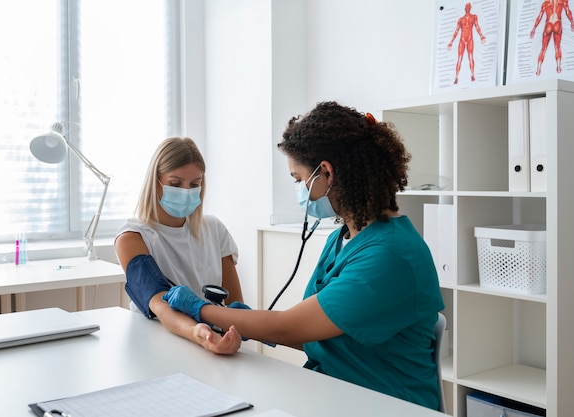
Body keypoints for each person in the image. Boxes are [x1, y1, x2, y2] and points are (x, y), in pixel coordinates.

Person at [156, 102, 445, 410]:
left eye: (297, 179)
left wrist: (202, 309)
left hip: (387, 405)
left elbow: (289, 326)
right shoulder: (341, 239)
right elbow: (318, 332)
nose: (297, 188)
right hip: (335, 392)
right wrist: (248, 322)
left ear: (327, 173)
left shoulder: (391, 255)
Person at [115, 136, 244, 355]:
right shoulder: (132, 237)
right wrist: (198, 332)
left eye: (194, 184)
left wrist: (235, 330)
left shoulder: (214, 229)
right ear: (155, 183)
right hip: (155, 345)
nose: (186, 191)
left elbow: (235, 306)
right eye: (175, 184)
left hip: (208, 344)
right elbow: (159, 304)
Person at [530, 0, 574, 75]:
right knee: (557, 47)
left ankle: (538, 70)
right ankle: (559, 67)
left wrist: (534, 28)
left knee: (543, 49)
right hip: (557, 23)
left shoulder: (545, 3)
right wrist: (572, 22)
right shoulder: (563, 1)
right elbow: (568, 12)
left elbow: (539, 17)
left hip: (548, 24)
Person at [447, 2, 486, 84]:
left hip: (469, 40)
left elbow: (477, 26)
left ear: (470, 8)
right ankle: (456, 77)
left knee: (471, 57)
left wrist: (481, 35)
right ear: (465, 8)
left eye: (468, 7)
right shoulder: (460, 20)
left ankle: (472, 74)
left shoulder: (474, 17)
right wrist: (451, 41)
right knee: (459, 59)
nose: (467, 8)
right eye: (466, 7)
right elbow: (456, 31)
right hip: (462, 40)